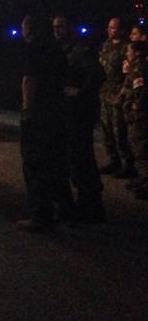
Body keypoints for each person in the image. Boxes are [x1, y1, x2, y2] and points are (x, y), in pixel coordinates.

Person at [16, 14, 71, 232]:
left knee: (35, 163)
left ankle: (40, 215)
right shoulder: (56, 48)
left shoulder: (33, 48)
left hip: (39, 114)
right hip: (56, 111)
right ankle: (62, 210)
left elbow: (30, 79)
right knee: (55, 163)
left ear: (29, 29)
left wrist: (27, 109)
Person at [52, 15, 106, 222]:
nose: (57, 30)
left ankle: (92, 205)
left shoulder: (79, 50)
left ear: (69, 28)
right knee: (74, 159)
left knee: (81, 158)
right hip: (68, 111)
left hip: (79, 112)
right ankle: (86, 203)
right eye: (55, 27)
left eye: (61, 27)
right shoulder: (61, 49)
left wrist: (80, 92)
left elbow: (97, 75)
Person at [98, 17, 134, 177]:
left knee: (119, 131)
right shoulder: (106, 45)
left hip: (118, 94)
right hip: (105, 93)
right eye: (109, 27)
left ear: (121, 30)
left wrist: (123, 93)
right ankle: (114, 160)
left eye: (113, 27)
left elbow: (129, 73)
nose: (110, 30)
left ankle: (128, 164)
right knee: (107, 130)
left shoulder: (126, 48)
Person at [119, 40, 147, 198]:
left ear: (136, 52)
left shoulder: (139, 67)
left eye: (129, 51)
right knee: (137, 147)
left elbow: (141, 89)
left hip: (139, 115)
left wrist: (137, 105)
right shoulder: (135, 66)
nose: (127, 54)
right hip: (135, 113)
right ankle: (143, 179)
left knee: (141, 149)